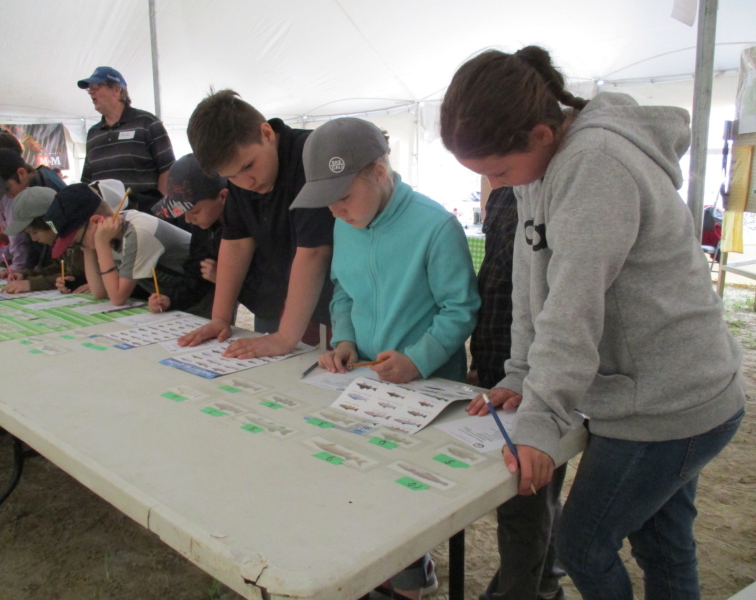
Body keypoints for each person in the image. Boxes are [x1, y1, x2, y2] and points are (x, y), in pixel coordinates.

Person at [441, 46, 746, 600]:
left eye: (498, 171)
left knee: (582, 544)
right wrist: (519, 374)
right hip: (666, 389)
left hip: (669, 402)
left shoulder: (594, 164)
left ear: (539, 134)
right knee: (664, 542)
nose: (496, 185)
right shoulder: (545, 166)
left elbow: (571, 308)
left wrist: (540, 419)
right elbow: (532, 283)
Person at [291, 117, 479, 599]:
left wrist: (418, 359)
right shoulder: (347, 223)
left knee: (406, 492)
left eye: (343, 196)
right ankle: (373, 568)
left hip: (427, 388)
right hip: (364, 380)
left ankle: (412, 579)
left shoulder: (435, 225)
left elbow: (460, 309)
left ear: (377, 172)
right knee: (356, 475)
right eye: (328, 200)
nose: (336, 210)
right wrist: (346, 340)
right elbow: (343, 292)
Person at [177, 90, 334, 358]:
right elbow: (235, 243)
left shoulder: (311, 157)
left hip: (338, 302)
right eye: (231, 176)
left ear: (266, 134)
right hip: (280, 298)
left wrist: (285, 338)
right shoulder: (242, 176)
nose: (245, 183)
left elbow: (314, 252)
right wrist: (220, 317)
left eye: (249, 166)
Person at [469, 185, 566, 600]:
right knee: (527, 497)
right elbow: (494, 283)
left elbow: (558, 303)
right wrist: (482, 366)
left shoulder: (557, 190)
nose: (489, 175)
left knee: (525, 501)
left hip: (542, 372)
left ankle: (526, 590)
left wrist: (532, 380)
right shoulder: (508, 193)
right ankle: (543, 582)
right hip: (500, 365)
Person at [43, 182, 190, 307]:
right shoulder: (109, 233)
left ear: (96, 222)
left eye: (77, 242)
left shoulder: (138, 231)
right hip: (178, 301)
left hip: (201, 298)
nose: (79, 246)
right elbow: (99, 292)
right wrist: (88, 249)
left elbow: (117, 297)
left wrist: (101, 244)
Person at [77, 66, 175, 213]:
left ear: (117, 90)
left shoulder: (147, 123)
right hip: (105, 219)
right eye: (89, 88)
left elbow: (168, 168)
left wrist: (158, 209)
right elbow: (87, 180)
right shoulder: (93, 133)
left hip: (144, 214)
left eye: (96, 86)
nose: (91, 91)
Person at [146, 153, 229, 317]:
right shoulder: (204, 224)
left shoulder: (247, 224)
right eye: (182, 212)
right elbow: (195, 274)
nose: (188, 219)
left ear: (223, 197)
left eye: (195, 211)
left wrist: (226, 279)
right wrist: (170, 298)